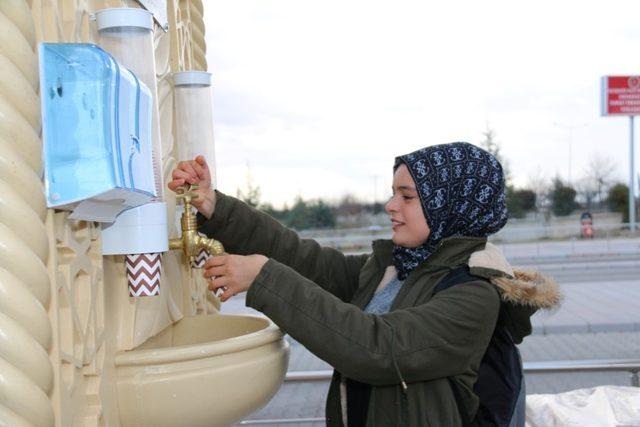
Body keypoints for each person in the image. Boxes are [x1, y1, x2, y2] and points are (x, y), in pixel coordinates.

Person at [168, 142, 560, 427]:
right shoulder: (397, 268)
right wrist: (216, 208)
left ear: (448, 207)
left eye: (406, 196)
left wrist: (264, 278)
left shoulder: (474, 293)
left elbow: (377, 348)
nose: (391, 205)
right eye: (393, 193)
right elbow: (307, 261)